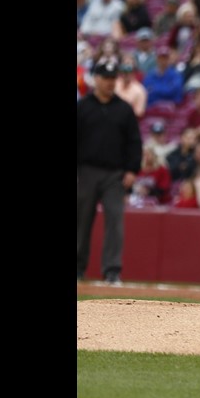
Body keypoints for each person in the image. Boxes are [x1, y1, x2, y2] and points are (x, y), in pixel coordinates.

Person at [77, 58, 142, 284]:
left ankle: (112, 270)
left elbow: (134, 142)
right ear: (96, 79)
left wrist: (132, 170)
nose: (110, 83)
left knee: (115, 220)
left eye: (113, 78)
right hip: (86, 172)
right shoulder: (83, 107)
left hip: (115, 174)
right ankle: (78, 268)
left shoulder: (124, 110)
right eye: (106, 78)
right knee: (81, 221)